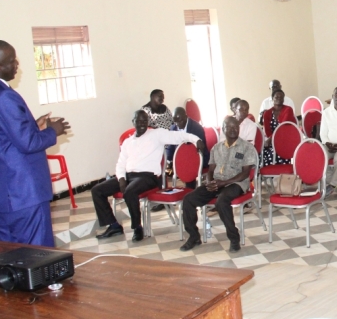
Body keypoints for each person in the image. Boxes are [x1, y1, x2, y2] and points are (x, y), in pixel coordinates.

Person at [0, 39, 70, 247]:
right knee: (37, 252)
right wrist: (52, 131)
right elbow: (28, 143)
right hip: (21, 191)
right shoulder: (4, 96)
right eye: (12, 61)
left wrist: (33, 125)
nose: (17, 64)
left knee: (6, 252)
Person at [92, 110, 205, 241]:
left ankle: (137, 227)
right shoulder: (127, 142)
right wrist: (121, 178)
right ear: (133, 122)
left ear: (148, 122)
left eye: (144, 121)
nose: (142, 124)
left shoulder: (156, 134)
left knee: (129, 192)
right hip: (128, 176)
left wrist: (196, 140)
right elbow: (120, 164)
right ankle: (113, 225)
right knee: (97, 190)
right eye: (139, 121)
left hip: (147, 177)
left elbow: (178, 136)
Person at [178, 117, 257, 253]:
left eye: (236, 127)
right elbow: (210, 170)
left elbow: (245, 174)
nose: (233, 130)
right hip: (217, 182)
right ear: (223, 129)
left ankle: (234, 238)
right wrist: (209, 182)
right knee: (188, 199)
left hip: (236, 183)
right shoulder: (216, 148)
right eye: (229, 127)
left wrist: (224, 182)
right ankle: (194, 237)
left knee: (221, 201)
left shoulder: (247, 147)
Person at [153, 106, 209, 213]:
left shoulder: (196, 128)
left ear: (186, 116)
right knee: (161, 170)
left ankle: (191, 201)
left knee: (188, 170)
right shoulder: (173, 128)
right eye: (175, 121)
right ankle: (166, 200)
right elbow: (170, 148)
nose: (178, 123)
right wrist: (169, 161)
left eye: (180, 120)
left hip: (198, 158)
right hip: (181, 160)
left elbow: (200, 149)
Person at [262, 89, 297, 166]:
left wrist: (270, 139)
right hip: (272, 141)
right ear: (272, 99)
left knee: (274, 154)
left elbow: (283, 127)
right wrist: (272, 140)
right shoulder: (267, 113)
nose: (279, 98)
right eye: (276, 97)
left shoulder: (288, 109)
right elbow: (267, 131)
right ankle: (269, 173)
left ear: (283, 99)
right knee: (262, 153)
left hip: (286, 139)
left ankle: (280, 171)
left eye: (281, 97)